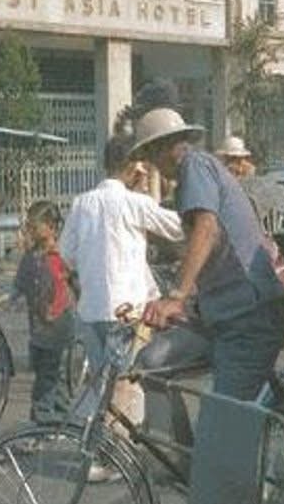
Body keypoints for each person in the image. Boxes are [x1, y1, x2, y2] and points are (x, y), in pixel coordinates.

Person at [135, 108, 284, 401]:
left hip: (248, 315)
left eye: (151, 154)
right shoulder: (192, 178)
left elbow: (207, 229)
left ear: (165, 147)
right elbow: (204, 248)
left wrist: (177, 296)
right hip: (220, 314)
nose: (152, 163)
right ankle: (173, 433)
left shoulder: (195, 166)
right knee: (151, 363)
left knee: (222, 416)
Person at [59, 134, 183, 383]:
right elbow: (180, 228)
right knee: (126, 384)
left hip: (91, 310)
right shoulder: (135, 203)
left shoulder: (81, 203)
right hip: (126, 313)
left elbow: (66, 253)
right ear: (132, 166)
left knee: (100, 386)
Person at [11, 201, 75, 422]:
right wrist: (12, 296)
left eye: (34, 226)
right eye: (28, 226)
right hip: (38, 327)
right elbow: (21, 282)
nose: (30, 230)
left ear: (50, 226)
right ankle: (61, 418)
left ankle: (43, 418)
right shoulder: (31, 257)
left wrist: (56, 310)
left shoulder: (62, 256)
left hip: (59, 325)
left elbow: (70, 288)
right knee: (48, 372)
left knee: (49, 375)